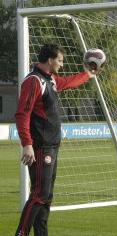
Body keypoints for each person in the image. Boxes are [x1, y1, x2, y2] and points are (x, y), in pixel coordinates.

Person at [15, 44, 100, 236]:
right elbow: (22, 114)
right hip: (40, 146)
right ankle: (21, 233)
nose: (62, 64)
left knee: (46, 197)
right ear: (50, 60)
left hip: (52, 146)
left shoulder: (51, 80)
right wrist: (27, 144)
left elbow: (68, 82)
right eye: (60, 60)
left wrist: (88, 74)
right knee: (39, 194)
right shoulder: (33, 81)